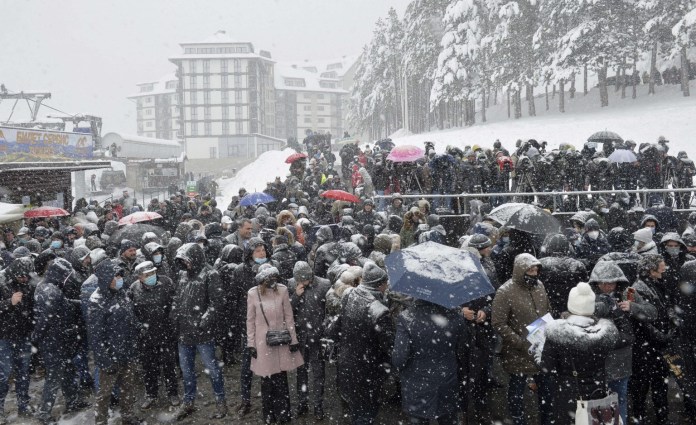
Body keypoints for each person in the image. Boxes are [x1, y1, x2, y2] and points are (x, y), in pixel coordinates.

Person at [327, 261, 395, 424]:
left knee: (357, 409)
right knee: (367, 411)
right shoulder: (379, 311)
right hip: (369, 369)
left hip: (347, 363)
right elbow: (388, 345)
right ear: (380, 285)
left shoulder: (349, 295)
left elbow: (335, 330)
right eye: (385, 283)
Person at [491, 253, 552, 425]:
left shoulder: (539, 286)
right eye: (530, 270)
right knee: (517, 389)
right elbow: (498, 322)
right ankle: (518, 420)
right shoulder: (505, 291)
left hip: (540, 346)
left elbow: (547, 310)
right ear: (520, 270)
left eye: (536, 270)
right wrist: (519, 341)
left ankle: (546, 419)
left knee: (546, 390)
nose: (533, 273)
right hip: (517, 352)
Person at [170, 243, 227, 420]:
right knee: (186, 371)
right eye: (182, 262)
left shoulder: (211, 274)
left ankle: (220, 400)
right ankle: (188, 402)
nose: (185, 265)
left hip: (203, 334)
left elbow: (216, 303)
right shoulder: (182, 275)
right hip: (184, 333)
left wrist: (202, 322)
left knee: (212, 369)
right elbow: (177, 298)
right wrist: (174, 316)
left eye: (187, 261)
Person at [392, 298, 469, 425]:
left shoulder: (407, 317)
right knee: (449, 420)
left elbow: (399, 359)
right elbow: (463, 349)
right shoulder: (456, 317)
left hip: (417, 385)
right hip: (447, 381)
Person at [33, 258, 90, 424]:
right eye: (66, 275)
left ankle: (73, 400)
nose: (68, 279)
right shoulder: (51, 291)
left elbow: (62, 304)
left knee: (68, 371)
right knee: (54, 377)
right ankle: (44, 413)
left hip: (59, 341)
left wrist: (79, 303)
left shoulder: (47, 287)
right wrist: (36, 339)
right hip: (53, 343)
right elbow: (45, 320)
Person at [246, 265, 304, 424]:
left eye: (274, 278)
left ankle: (283, 414)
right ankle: (269, 415)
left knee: (281, 379)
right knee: (266, 381)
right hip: (262, 343)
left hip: (280, 341)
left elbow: (289, 316)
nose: (273, 282)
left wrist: (293, 339)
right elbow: (250, 321)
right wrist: (251, 343)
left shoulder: (283, 290)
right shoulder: (253, 293)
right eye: (269, 279)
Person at [88, 260, 141, 425]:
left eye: (120, 275)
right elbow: (95, 336)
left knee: (128, 388)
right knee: (104, 394)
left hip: (127, 351)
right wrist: (104, 359)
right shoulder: (97, 301)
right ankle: (101, 421)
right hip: (110, 355)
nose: (119, 279)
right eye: (115, 276)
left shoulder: (122, 293)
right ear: (105, 278)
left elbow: (129, 317)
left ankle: (128, 416)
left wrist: (138, 328)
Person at [588, 261, 637, 425]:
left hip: (620, 362)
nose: (609, 286)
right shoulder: (588, 300)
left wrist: (632, 307)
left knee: (620, 399)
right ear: (596, 283)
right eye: (604, 283)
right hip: (598, 362)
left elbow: (652, 313)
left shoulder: (626, 295)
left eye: (612, 282)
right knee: (598, 402)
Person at [628, 254, 672, 425]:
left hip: (656, 346)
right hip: (644, 347)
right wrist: (661, 336)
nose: (664, 266)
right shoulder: (635, 289)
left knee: (660, 385)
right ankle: (640, 417)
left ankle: (662, 417)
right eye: (661, 263)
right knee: (641, 387)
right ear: (651, 269)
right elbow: (640, 320)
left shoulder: (660, 284)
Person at [129, 261, 179, 409]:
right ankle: (151, 394)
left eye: (153, 273)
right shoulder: (133, 289)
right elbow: (130, 312)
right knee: (149, 367)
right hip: (146, 336)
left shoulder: (166, 282)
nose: (151, 276)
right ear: (140, 277)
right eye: (147, 275)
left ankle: (173, 393)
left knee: (169, 366)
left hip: (165, 333)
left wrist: (171, 320)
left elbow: (175, 302)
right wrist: (140, 327)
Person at [287, 261, 331, 420]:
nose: (302, 283)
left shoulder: (324, 285)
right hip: (301, 337)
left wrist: (324, 328)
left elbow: (329, 310)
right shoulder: (292, 284)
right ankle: (302, 403)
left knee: (319, 373)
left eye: (304, 280)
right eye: (299, 280)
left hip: (318, 337)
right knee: (301, 372)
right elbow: (288, 311)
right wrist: (295, 297)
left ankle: (318, 406)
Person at [0, 258, 36, 423]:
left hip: (24, 336)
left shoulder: (29, 287)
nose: (24, 278)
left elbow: (32, 310)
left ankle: (24, 404)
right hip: (5, 338)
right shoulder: (2, 286)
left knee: (24, 372)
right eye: (21, 276)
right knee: (4, 374)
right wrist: (9, 302)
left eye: (26, 275)